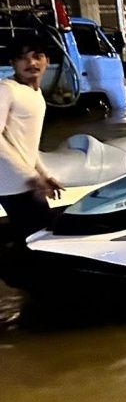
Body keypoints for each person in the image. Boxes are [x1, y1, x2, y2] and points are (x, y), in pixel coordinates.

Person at [0, 35, 62, 245]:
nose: (31, 63)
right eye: (22, 58)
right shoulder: (7, 89)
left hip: (24, 183)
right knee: (39, 239)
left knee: (35, 237)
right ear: (12, 63)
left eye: (37, 56)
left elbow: (27, 145)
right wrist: (32, 177)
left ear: (48, 61)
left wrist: (44, 174)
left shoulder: (36, 94)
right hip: (11, 184)